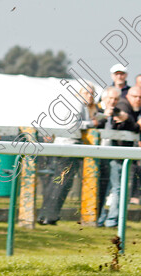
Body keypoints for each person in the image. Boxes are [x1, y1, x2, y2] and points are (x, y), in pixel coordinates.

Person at [38, 85, 98, 225]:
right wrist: (92, 123)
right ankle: (49, 216)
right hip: (69, 146)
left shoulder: (78, 104)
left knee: (59, 182)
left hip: (66, 146)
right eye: (87, 93)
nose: (90, 96)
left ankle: (46, 215)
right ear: (80, 93)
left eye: (92, 94)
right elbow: (72, 125)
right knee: (62, 183)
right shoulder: (77, 104)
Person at [94, 86, 139, 227]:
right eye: (110, 98)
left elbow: (133, 126)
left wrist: (125, 118)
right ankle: (98, 218)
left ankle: (112, 220)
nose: (112, 102)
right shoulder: (96, 110)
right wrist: (105, 116)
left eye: (115, 99)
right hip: (97, 154)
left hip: (114, 156)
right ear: (104, 99)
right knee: (99, 188)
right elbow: (94, 123)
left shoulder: (119, 112)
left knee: (117, 188)